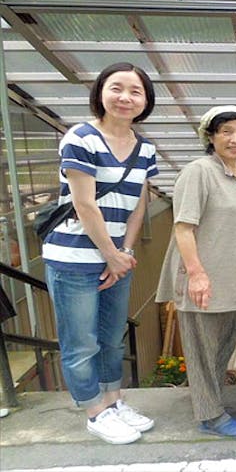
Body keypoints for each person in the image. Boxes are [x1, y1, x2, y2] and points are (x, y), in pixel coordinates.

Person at [42, 62, 157, 445]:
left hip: (116, 257)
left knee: (111, 338)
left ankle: (113, 400)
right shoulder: (82, 137)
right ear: (101, 92)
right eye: (117, 88)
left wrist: (123, 252)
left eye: (135, 91)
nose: (125, 97)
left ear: (145, 100)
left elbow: (138, 204)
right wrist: (111, 255)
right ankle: (94, 411)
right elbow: (85, 204)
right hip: (74, 256)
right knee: (81, 341)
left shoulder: (145, 148)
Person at [155, 106, 236, 438]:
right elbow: (183, 229)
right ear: (210, 136)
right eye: (227, 131)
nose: (235, 139)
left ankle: (211, 403)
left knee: (225, 344)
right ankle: (210, 415)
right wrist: (197, 274)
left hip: (234, 277)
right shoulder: (198, 171)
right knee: (203, 349)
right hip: (203, 277)